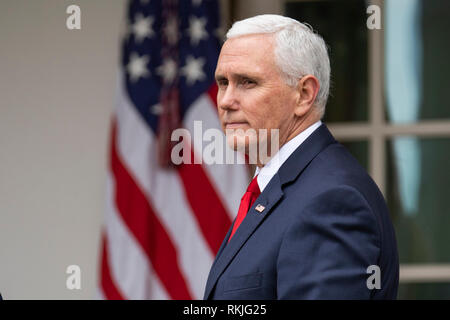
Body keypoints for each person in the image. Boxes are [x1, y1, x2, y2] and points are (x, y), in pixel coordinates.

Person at [203, 14, 399, 299]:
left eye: (247, 82)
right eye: (223, 82)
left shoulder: (331, 200)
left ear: (304, 94)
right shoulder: (280, 188)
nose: (225, 101)